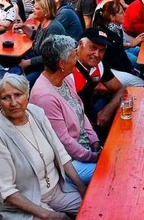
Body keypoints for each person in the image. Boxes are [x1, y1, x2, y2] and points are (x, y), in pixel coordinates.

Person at [0, 73, 85, 220]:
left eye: (18, 95)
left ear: (27, 94)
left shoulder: (36, 113)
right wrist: (47, 215)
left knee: (93, 212)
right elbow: (7, 192)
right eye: (6, 97)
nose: (14, 103)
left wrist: (82, 188)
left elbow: (60, 153)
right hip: (28, 204)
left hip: (57, 191)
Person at [30, 35, 102, 184]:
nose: (76, 59)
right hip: (67, 162)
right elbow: (64, 142)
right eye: (74, 55)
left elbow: (80, 113)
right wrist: (93, 156)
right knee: (108, 171)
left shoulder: (66, 79)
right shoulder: (45, 96)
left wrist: (94, 140)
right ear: (62, 64)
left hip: (84, 149)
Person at [72, 29, 125, 132]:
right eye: (93, 48)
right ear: (80, 44)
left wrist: (107, 110)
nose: (97, 54)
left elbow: (121, 89)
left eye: (101, 50)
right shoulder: (66, 67)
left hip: (90, 115)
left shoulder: (99, 66)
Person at [15, 0, 67, 84]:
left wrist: (27, 62)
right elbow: (37, 36)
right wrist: (23, 26)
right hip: (37, 63)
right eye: (34, 7)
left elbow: (51, 56)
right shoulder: (44, 23)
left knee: (21, 84)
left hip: (48, 69)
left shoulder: (53, 28)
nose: (33, 10)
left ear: (46, 12)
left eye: (37, 8)